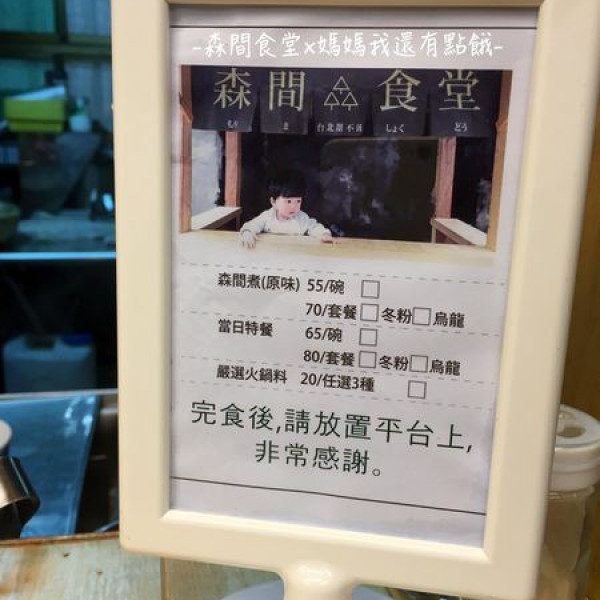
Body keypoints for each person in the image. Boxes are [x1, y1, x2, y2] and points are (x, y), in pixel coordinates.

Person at [240, 170, 333, 249]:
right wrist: (247, 232)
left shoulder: (302, 218)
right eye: (288, 201)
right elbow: (253, 224)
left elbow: (314, 227)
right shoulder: (268, 217)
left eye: (298, 201)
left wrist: (323, 234)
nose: (293, 206)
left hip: (294, 254)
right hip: (271, 253)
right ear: (273, 201)